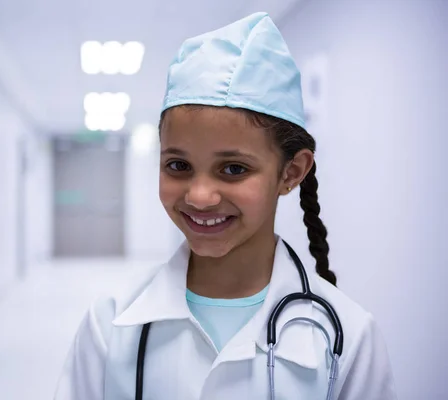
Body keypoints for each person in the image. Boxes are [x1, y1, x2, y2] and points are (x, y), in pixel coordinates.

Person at [54, 12, 396, 400]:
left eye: (233, 169)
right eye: (178, 165)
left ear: (291, 172)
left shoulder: (348, 339)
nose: (200, 196)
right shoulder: (110, 324)